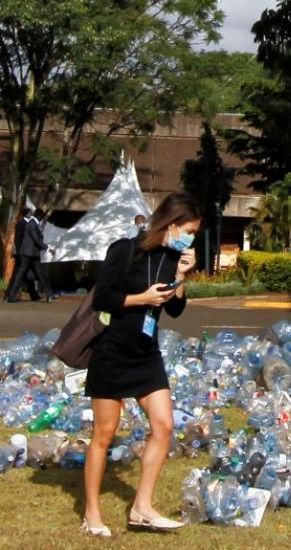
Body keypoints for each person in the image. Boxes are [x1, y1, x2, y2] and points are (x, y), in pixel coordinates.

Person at [81, 192, 200, 537]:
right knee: (103, 435)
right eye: (189, 229)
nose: (191, 236)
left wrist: (182, 276)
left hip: (147, 353)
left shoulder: (171, 257)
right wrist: (141, 299)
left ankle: (142, 508)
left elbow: (175, 310)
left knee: (163, 426)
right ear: (172, 224)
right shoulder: (125, 250)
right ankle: (92, 513)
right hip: (113, 352)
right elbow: (102, 297)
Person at [5, 203, 52, 302]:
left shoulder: (32, 223)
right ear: (39, 216)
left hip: (31, 253)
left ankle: (48, 294)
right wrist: (47, 248)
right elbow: (34, 238)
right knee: (21, 274)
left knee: (30, 274)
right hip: (27, 253)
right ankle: (11, 295)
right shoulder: (30, 224)